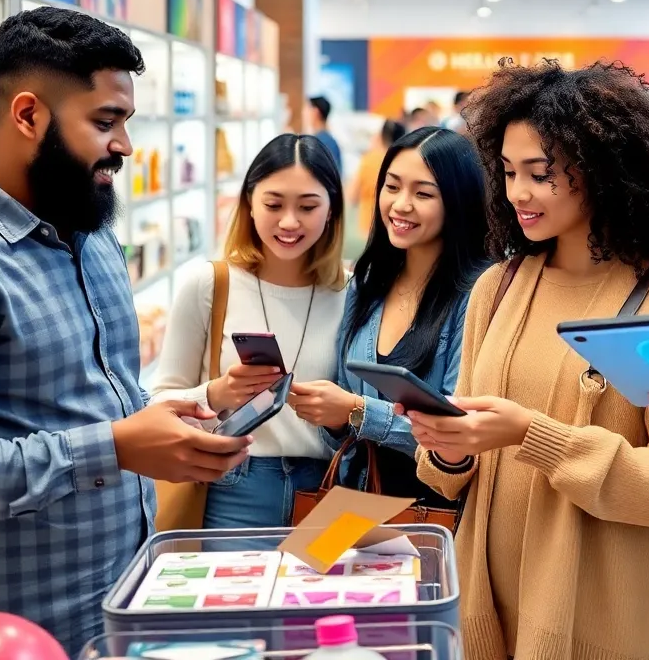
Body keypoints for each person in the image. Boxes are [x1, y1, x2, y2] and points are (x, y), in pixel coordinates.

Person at [0, 7, 252, 656]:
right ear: (28, 115)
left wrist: (156, 414)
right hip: (5, 635)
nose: (125, 146)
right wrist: (116, 447)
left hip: (118, 611)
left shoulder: (91, 233)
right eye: (105, 123)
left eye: (126, 122)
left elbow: (74, 404)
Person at [400, 60, 649, 660]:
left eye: (540, 174)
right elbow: (447, 472)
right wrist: (445, 444)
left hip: (602, 623)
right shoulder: (498, 286)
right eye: (508, 172)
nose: (518, 192)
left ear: (602, 171)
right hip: (484, 613)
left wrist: (531, 435)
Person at [150, 134, 348, 533]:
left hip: (330, 492)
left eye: (308, 207)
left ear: (331, 211)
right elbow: (159, 404)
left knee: (315, 598)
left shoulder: (352, 292)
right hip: (231, 488)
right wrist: (218, 394)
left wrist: (339, 414)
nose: (289, 222)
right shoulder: (209, 284)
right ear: (249, 205)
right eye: (273, 205)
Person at [292, 127, 487, 505]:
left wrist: (358, 412)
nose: (400, 205)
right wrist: (332, 414)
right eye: (392, 186)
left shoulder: (479, 293)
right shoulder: (367, 282)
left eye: (423, 193)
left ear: (459, 202)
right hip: (357, 501)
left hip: (435, 512)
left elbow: (459, 427)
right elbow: (342, 414)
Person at [351, 118, 406, 238]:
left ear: (381, 136)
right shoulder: (402, 161)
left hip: (368, 226)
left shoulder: (369, 159)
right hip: (396, 226)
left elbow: (352, 196)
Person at [306, 95, 342, 173]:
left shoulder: (320, 142)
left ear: (315, 112)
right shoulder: (328, 141)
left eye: (307, 109)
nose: (304, 113)